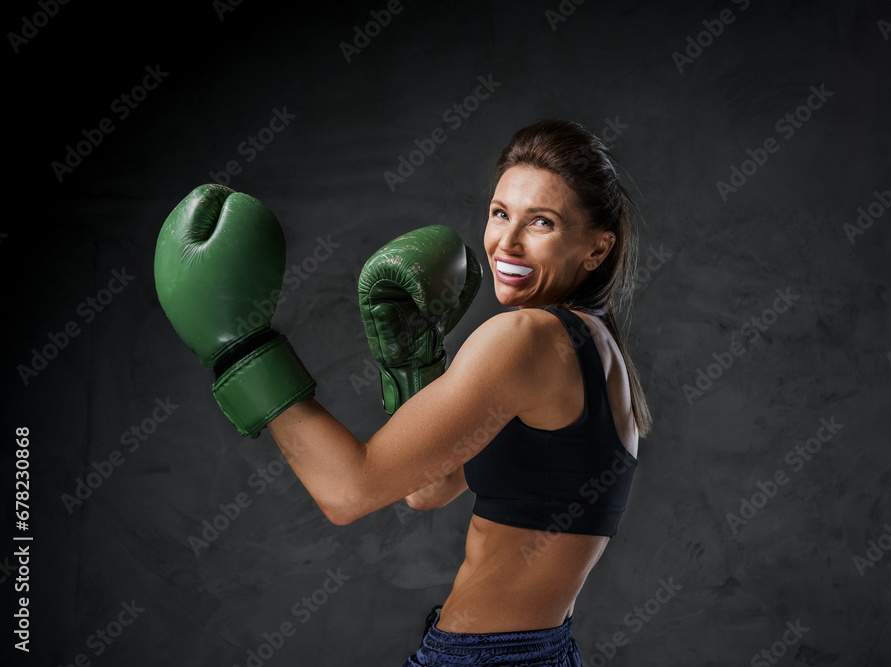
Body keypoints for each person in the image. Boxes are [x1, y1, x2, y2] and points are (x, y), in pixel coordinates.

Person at [154, 118, 652, 666]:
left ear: (597, 249)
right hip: (545, 651)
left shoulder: (527, 338)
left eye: (541, 222)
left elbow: (347, 492)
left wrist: (240, 349)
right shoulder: (598, 349)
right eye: (499, 213)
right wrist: (412, 362)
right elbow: (429, 489)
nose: (506, 242)